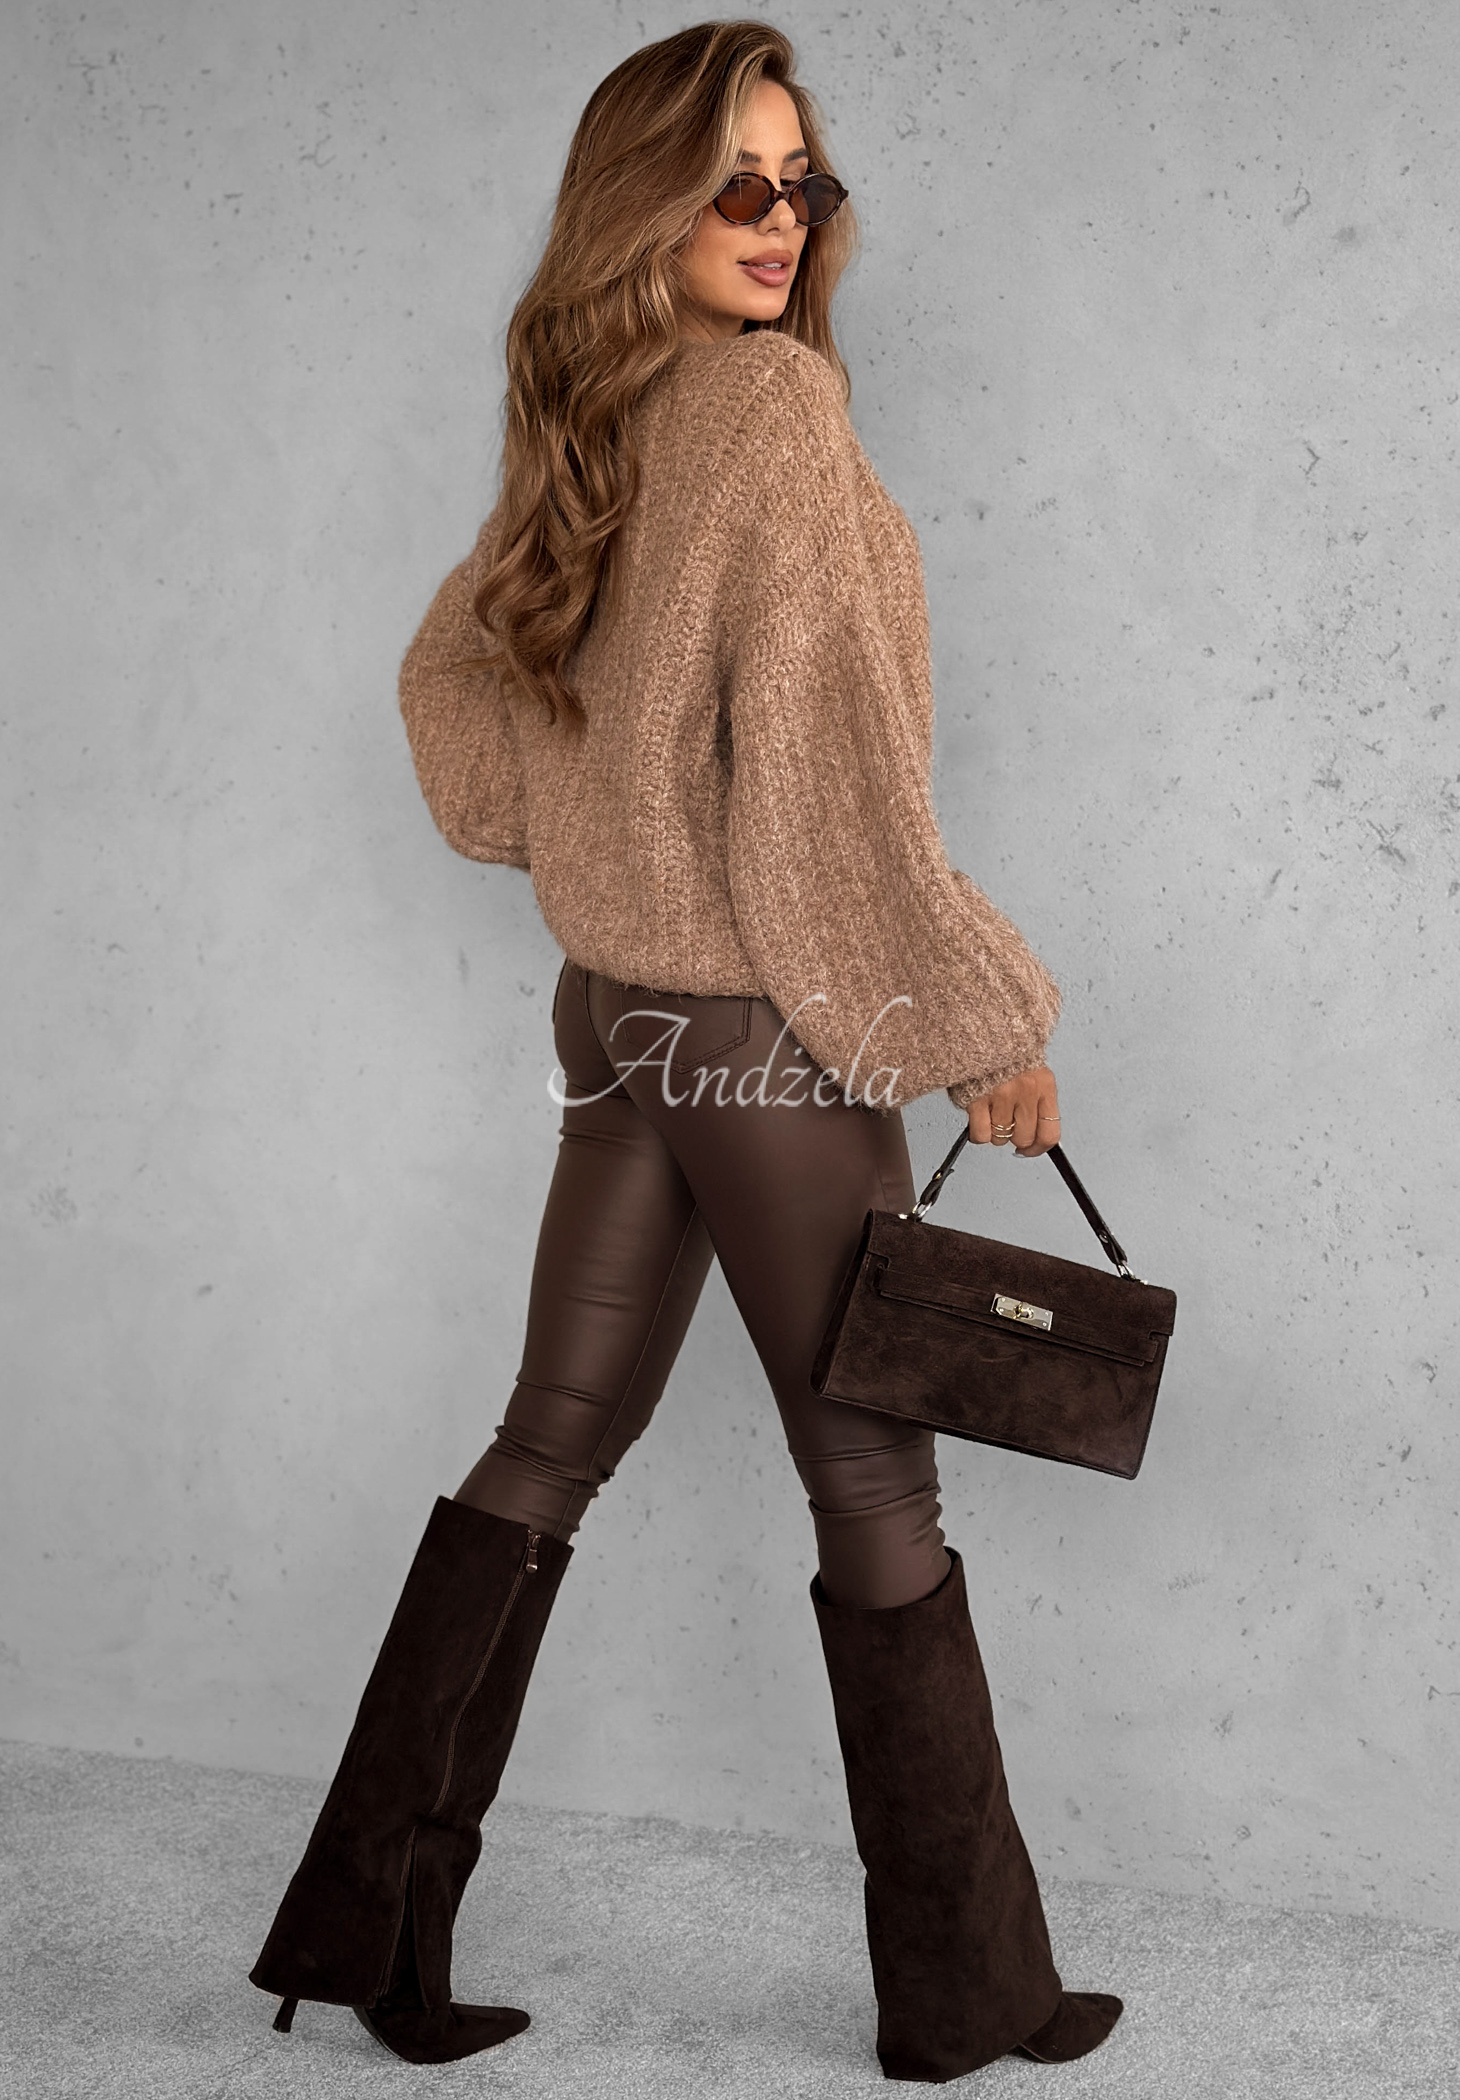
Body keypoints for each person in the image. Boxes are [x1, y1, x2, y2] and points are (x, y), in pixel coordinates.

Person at [249, 18, 1122, 2082]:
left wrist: (586, 829)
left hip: (616, 1013)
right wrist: (972, 1020)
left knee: (549, 1438)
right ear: (642, 201)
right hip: (754, 1035)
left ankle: (367, 1937)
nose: (779, 217)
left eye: (802, 181)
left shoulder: (597, 415)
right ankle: (967, 1996)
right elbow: (827, 780)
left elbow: (459, 692)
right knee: (872, 1473)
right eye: (737, 180)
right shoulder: (768, 408)